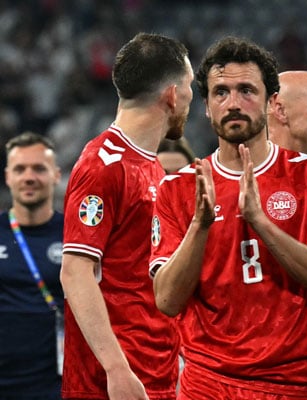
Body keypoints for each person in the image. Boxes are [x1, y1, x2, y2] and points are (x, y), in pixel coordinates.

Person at [149, 36, 307, 400]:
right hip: (209, 383)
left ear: (272, 101)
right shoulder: (178, 188)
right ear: (207, 107)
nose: (233, 103)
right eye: (220, 92)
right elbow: (167, 300)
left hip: (296, 383)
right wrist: (200, 226)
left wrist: (261, 222)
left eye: (246, 90)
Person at [59, 32, 193, 400]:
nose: (191, 98)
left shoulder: (151, 168)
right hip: (109, 384)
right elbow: (74, 272)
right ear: (171, 95)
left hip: (156, 374)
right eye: (190, 86)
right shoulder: (103, 165)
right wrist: (116, 369)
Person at [1, 132, 63, 399]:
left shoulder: (75, 234)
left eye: (39, 168)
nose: (29, 177)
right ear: (7, 177)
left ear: (56, 175)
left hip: (58, 382)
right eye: (20, 169)